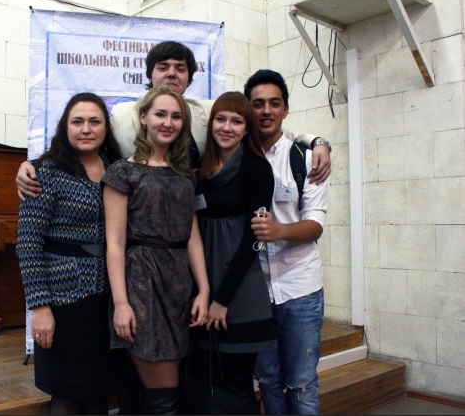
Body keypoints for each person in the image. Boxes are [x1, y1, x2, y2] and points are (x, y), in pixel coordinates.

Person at [16, 42, 332, 200]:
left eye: (180, 69)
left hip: (193, 220)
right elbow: (80, 141)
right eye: (163, 67)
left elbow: (261, 125)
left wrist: (316, 141)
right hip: (134, 224)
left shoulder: (208, 111)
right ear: (150, 75)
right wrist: (32, 164)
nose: (171, 74)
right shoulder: (120, 115)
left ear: (189, 79)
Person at [102, 85, 210, 415]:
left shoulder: (185, 174)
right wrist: (121, 303)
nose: (168, 122)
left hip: (179, 285)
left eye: (176, 116)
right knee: (165, 396)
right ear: (143, 118)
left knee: (168, 389)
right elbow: (115, 242)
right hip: (142, 284)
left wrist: (204, 290)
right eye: (160, 114)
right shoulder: (122, 171)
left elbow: (192, 236)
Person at [16, 93, 125, 415]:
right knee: (67, 393)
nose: (86, 129)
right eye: (77, 122)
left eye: (95, 121)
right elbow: (28, 243)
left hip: (106, 300)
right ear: (66, 127)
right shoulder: (45, 172)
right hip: (63, 302)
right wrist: (40, 307)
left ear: (106, 128)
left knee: (98, 391)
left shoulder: (118, 170)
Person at [246, 70, 328, 415]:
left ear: (285, 109)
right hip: (254, 293)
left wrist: (279, 231)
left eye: (274, 103)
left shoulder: (305, 158)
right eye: (258, 104)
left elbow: (315, 224)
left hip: (300, 289)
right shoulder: (237, 156)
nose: (266, 110)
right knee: (268, 382)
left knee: (302, 384)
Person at [194, 91, 276, 408]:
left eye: (237, 121)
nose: (227, 127)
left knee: (237, 386)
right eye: (221, 119)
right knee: (204, 380)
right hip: (200, 285)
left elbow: (253, 241)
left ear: (246, 128)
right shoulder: (197, 167)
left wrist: (222, 299)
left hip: (239, 290)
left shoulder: (258, 169)